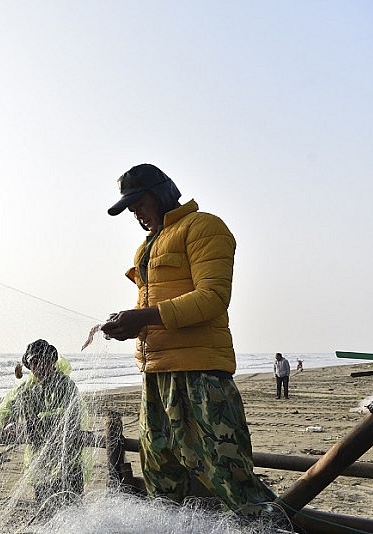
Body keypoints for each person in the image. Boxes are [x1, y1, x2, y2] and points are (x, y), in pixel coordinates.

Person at [100, 164, 275, 517]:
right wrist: (130, 326)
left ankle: (265, 525)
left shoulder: (204, 227)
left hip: (202, 373)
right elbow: (149, 307)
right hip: (155, 376)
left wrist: (144, 317)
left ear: (161, 193)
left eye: (139, 202)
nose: (135, 213)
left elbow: (212, 297)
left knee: (227, 472)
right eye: (129, 207)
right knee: (160, 473)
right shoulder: (144, 248)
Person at [0, 339, 86, 514]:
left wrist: (35, 424)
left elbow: (70, 416)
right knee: (45, 512)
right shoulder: (25, 389)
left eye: (44, 361)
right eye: (34, 362)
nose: (40, 367)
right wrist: (10, 423)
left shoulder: (66, 385)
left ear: (52, 361)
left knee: (73, 512)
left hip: (69, 462)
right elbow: (6, 409)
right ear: (29, 365)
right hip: (41, 465)